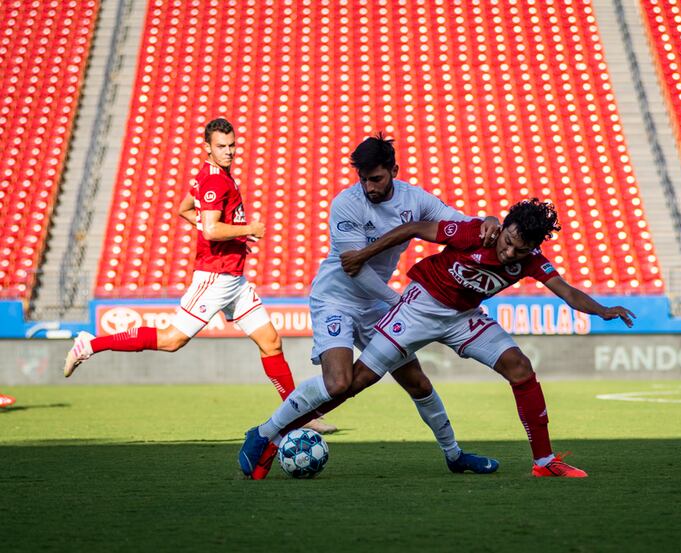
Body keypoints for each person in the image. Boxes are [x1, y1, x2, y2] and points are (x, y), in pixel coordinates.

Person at [242, 198, 636, 478]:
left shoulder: (530, 260)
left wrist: (603, 310)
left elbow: (567, 291)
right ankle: (270, 431)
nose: (509, 250)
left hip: (464, 317)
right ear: (505, 227)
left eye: (520, 248)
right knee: (354, 382)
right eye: (508, 240)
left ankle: (544, 461)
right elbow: (415, 228)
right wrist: (363, 254)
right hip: (418, 308)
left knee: (520, 368)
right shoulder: (474, 234)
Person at [240, 133, 502, 478]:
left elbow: (457, 223)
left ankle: (454, 455)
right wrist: (399, 301)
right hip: (336, 299)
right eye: (362, 179)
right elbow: (355, 269)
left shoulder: (414, 199)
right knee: (337, 383)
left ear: (393, 170)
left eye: (376, 179)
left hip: (376, 305)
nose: (369, 187)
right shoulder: (346, 204)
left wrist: (489, 221)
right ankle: (263, 433)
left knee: (418, 383)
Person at [62, 118, 333, 434]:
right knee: (172, 339)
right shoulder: (216, 182)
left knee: (271, 341)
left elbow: (184, 209)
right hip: (214, 278)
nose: (229, 151)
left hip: (234, 280)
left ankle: (298, 416)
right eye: (222, 146)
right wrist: (249, 229)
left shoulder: (211, 176)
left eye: (232, 145)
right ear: (208, 148)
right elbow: (210, 228)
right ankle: (91, 344)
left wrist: (224, 233)